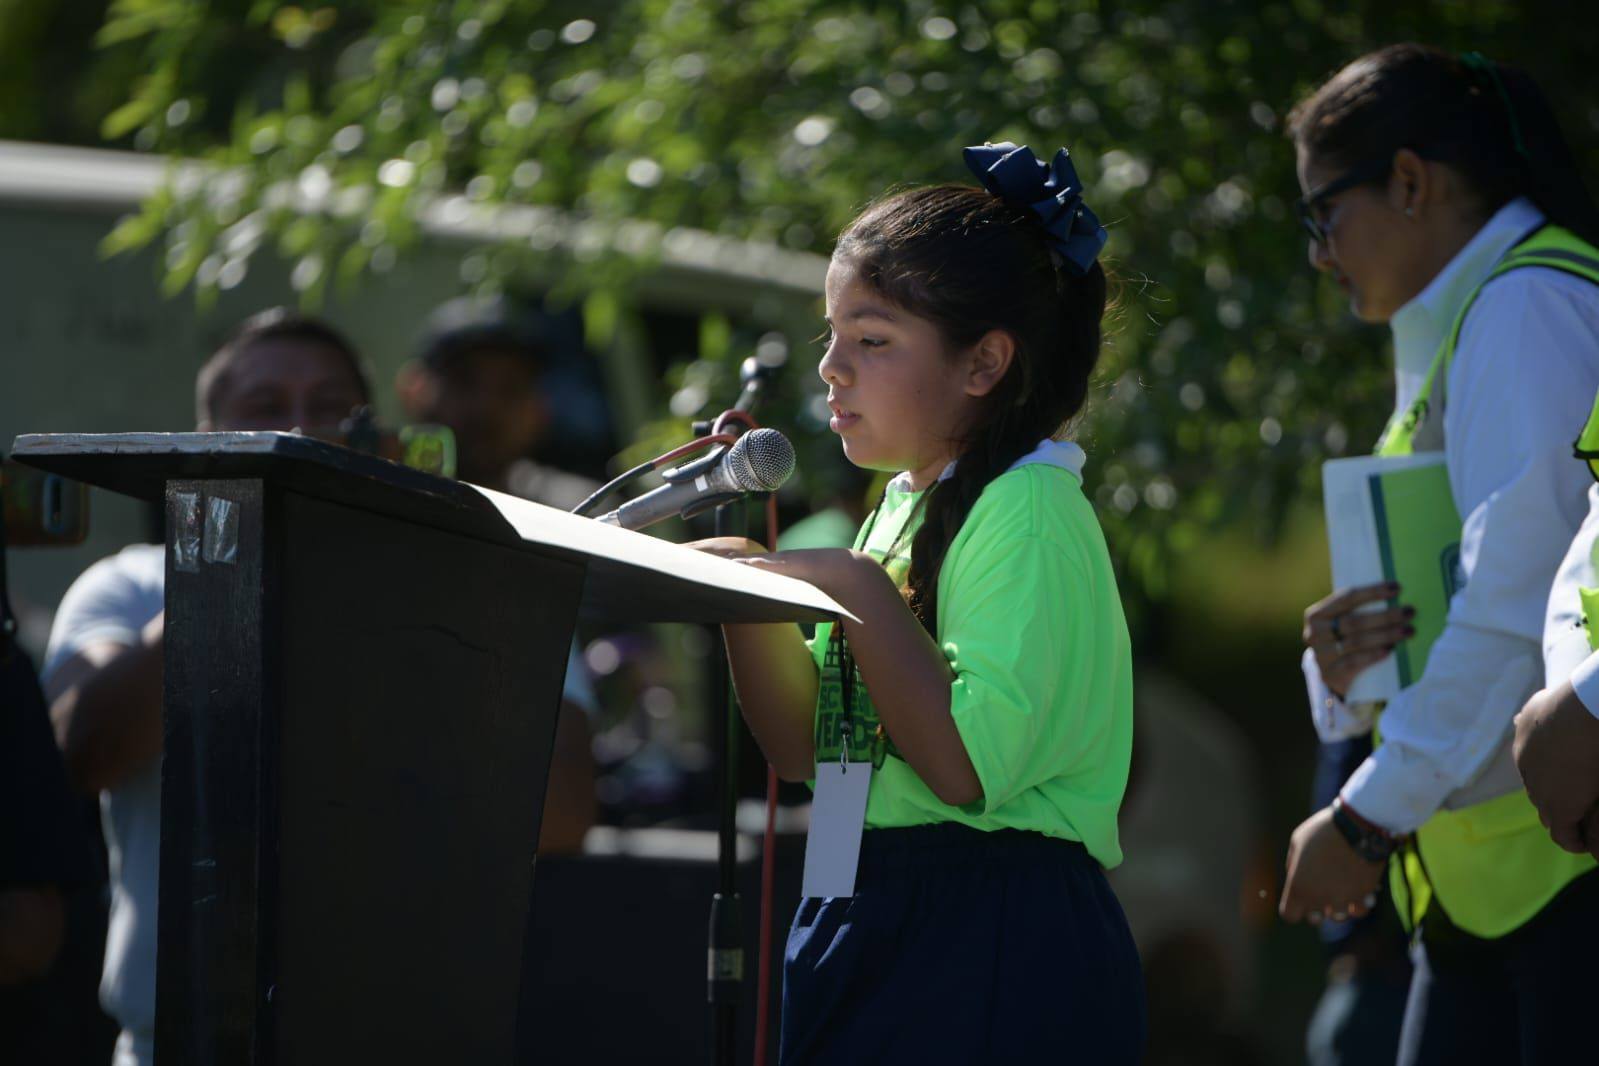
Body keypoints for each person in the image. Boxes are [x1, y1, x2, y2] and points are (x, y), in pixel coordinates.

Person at [40, 308, 593, 1066]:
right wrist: (241, 562)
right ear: (204, 438)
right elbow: (78, 755)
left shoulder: (468, 589)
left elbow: (561, 813)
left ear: (375, 433)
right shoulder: (129, 589)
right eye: (265, 410)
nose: (301, 430)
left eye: (329, 407)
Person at [695, 143, 1144, 1063]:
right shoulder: (902, 507)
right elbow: (803, 753)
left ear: (982, 364)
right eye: (830, 335)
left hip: (987, 925)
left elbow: (965, 770)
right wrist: (742, 596)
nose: (830, 368)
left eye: (871, 339)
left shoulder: (1026, 510)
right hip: (859, 896)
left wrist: (847, 584)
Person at [1279, 45, 1599, 1065]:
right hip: (1490, 887)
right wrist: (1343, 670)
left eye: (1321, 214)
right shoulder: (1472, 317)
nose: (1321, 254)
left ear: (1410, 182)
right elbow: (1469, 595)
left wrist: (1365, 818)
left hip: (1562, 878)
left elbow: (1512, 610)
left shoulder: (1523, 307)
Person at [395, 295, 599, 847]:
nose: (485, 407)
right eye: (465, 382)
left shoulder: (579, 520)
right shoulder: (367, 516)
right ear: (413, 389)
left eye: (509, 389)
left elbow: (565, 810)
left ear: (539, 410)